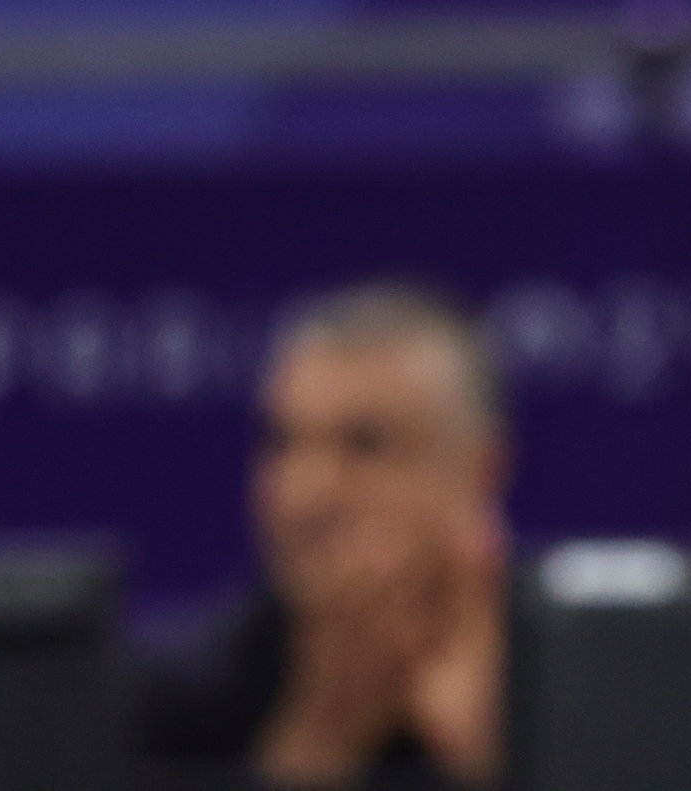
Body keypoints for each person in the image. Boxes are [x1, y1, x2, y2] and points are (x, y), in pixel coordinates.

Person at [130, 284, 509, 791]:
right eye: (283, 443)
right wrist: (318, 746)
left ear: (478, 470)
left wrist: (506, 757)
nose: (307, 493)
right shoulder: (170, 700)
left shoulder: (587, 680)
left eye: (365, 444)